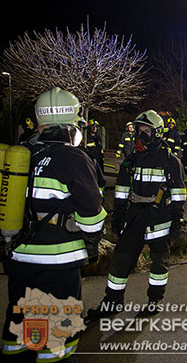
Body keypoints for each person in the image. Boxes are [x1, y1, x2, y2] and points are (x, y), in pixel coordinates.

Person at [2, 87, 106, 361]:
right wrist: (94, 241)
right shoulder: (73, 158)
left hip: (19, 256)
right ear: (73, 124)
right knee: (58, 331)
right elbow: (92, 215)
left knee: (21, 317)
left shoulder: (21, 154)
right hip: (59, 261)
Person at [86, 110, 186, 322]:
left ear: (157, 133)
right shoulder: (131, 160)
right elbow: (121, 192)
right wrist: (118, 217)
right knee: (121, 260)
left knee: (159, 264)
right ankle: (112, 302)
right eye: (139, 131)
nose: (142, 135)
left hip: (160, 217)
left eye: (146, 131)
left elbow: (178, 196)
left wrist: (176, 221)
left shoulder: (170, 161)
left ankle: (154, 300)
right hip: (135, 217)